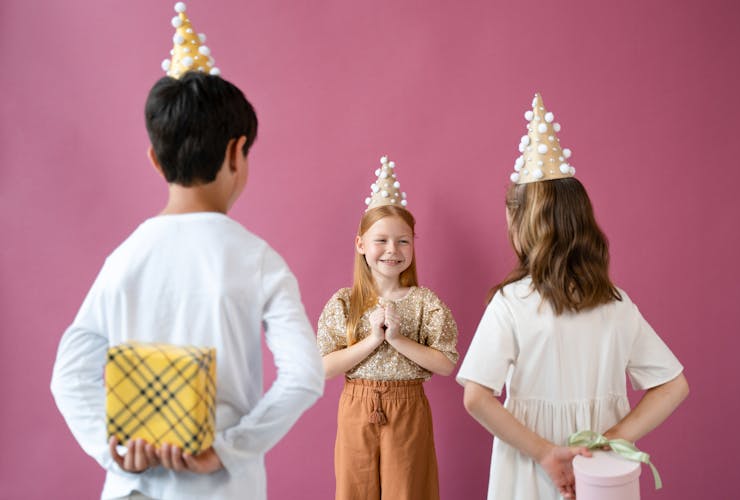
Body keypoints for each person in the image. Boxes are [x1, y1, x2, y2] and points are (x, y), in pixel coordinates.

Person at [50, 54, 324, 500]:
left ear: (156, 161)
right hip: (222, 488)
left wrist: (113, 448)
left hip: (133, 487)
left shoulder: (125, 258)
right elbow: (305, 375)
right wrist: (228, 449)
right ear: (237, 152)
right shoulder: (258, 260)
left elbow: (68, 374)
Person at [457, 93, 689, 500]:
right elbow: (674, 386)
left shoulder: (511, 303)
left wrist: (546, 452)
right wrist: (611, 438)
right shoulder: (616, 302)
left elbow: (477, 397)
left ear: (519, 223)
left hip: (530, 465)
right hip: (601, 471)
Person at [317, 156, 458, 500]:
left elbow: (446, 363)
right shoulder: (344, 303)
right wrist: (371, 341)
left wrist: (397, 339)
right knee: (355, 489)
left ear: (412, 245)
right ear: (361, 244)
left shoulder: (426, 302)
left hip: (408, 408)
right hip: (356, 405)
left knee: (408, 491)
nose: (392, 250)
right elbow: (323, 367)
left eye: (403, 241)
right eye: (381, 240)